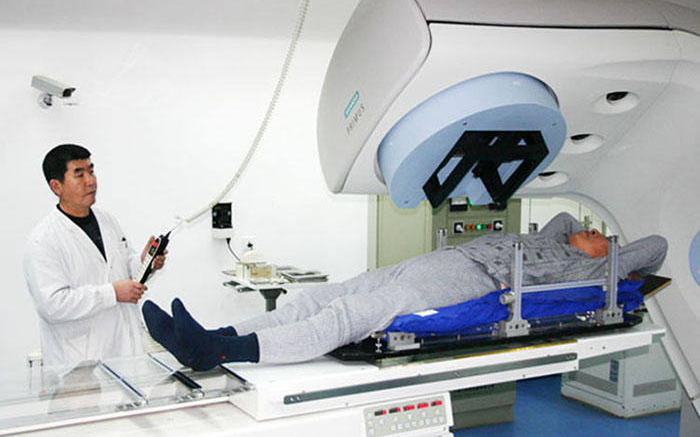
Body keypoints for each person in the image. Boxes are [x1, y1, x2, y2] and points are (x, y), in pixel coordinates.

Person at [143, 212, 666, 370]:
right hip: (442, 260)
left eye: (599, 235)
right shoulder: (551, 237)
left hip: (473, 282)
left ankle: (218, 351)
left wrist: (606, 253)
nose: (588, 231)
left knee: (354, 312)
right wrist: (580, 234)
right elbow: (565, 218)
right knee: (319, 296)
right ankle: (209, 336)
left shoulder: (590, 269)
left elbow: (656, 246)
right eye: (589, 230)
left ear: (608, 254)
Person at [24, 144, 167, 367]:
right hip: (78, 361)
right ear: (56, 186)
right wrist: (112, 293)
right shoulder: (44, 239)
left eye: (91, 171)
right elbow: (53, 305)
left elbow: (123, 271)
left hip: (124, 351)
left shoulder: (107, 221)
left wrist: (145, 263)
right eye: (79, 174)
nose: (90, 181)